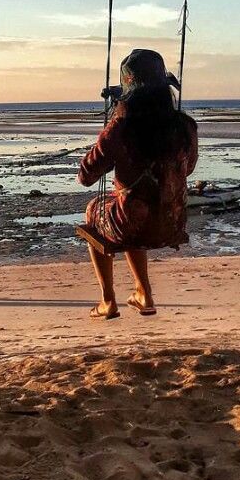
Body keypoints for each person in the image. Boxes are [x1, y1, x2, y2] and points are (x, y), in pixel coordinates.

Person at [77, 49, 198, 320]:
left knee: (95, 208)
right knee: (133, 205)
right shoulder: (185, 126)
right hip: (173, 222)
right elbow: (187, 168)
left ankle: (108, 300)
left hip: (133, 222)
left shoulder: (122, 127)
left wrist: (106, 137)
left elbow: (86, 176)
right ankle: (144, 293)